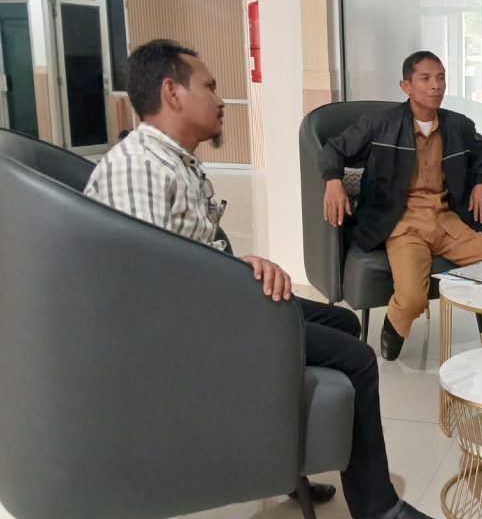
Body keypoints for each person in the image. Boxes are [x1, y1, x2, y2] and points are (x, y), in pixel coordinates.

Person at [85, 39, 431, 519]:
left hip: (216, 301)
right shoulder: (138, 168)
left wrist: (241, 265)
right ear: (172, 92)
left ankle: (288, 467)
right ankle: (379, 508)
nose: (221, 100)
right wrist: (235, 282)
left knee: (344, 324)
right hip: (191, 332)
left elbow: (181, 257)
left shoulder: (172, 161)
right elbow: (149, 291)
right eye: (209, 87)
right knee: (358, 360)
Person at [319, 51, 482, 361]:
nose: (435, 85)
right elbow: (333, 149)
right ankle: (393, 327)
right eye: (425, 79)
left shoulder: (458, 125)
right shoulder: (380, 123)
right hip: (402, 225)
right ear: (406, 86)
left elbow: (481, 152)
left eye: (440, 78)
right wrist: (333, 182)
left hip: (448, 222)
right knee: (412, 298)